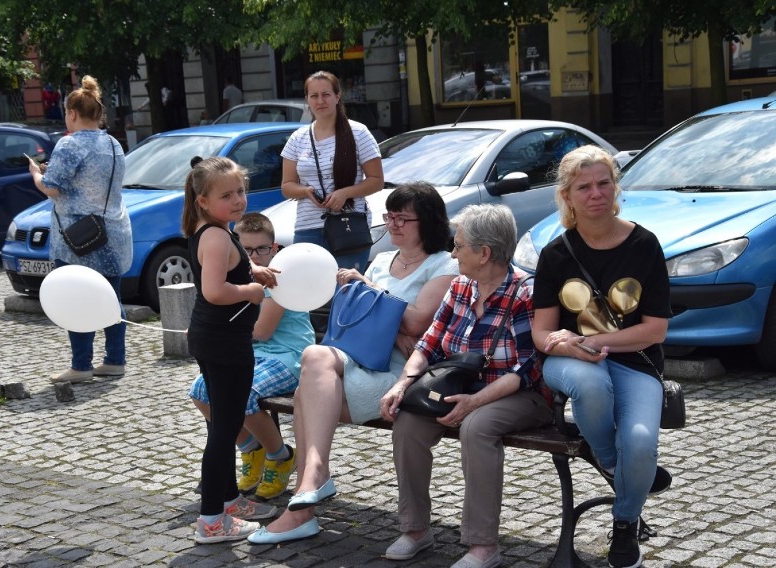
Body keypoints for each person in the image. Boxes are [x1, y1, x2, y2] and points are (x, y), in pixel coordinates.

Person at [247, 181, 460, 544]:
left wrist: (369, 293)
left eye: (401, 218)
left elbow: (416, 323)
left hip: (398, 373)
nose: (392, 224)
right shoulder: (381, 261)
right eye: (388, 216)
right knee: (314, 353)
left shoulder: (444, 266)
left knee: (304, 395)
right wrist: (388, 317)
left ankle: (303, 506)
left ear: (427, 221)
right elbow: (389, 320)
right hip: (355, 356)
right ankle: (314, 477)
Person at [378, 204, 553, 568]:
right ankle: (415, 529)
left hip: (519, 394)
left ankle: (483, 545)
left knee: (477, 427)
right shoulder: (460, 286)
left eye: (459, 246)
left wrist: (473, 402)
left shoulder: (524, 292)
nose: (453, 253)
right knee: (407, 422)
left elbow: (526, 370)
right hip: (461, 386)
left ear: (484, 253)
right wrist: (402, 384)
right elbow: (428, 344)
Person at [531, 145, 671, 568]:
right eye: (584, 186)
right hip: (570, 361)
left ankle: (625, 523)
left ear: (616, 187)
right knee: (592, 384)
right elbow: (541, 332)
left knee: (643, 443)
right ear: (568, 197)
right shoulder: (556, 253)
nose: (596, 193)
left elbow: (655, 330)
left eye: (603, 183)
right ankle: (611, 463)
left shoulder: (645, 245)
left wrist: (596, 343)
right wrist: (568, 344)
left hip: (635, 362)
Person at [183, 157, 281, 544]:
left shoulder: (211, 231)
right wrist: (251, 291)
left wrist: (250, 271)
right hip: (225, 343)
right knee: (223, 432)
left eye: (240, 191)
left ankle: (227, 502)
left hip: (214, 339)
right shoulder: (217, 235)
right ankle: (211, 522)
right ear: (204, 200)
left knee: (220, 426)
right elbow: (214, 291)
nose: (238, 200)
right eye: (226, 195)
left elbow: (223, 268)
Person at [189, 211, 315, 500]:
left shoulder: (278, 281)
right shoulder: (240, 279)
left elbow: (261, 332)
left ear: (275, 249)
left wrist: (217, 329)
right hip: (249, 353)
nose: (255, 256)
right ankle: (251, 449)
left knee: (241, 393)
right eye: (246, 250)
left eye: (261, 249)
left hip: (288, 356)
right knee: (200, 391)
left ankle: (280, 455)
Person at [28, 75, 133, 384]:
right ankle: (115, 360)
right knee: (111, 298)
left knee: (76, 297)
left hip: (79, 238)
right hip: (113, 231)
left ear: (72, 113)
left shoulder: (69, 143)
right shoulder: (113, 142)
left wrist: (35, 174)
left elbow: (51, 188)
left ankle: (81, 366)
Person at [279, 70, 383, 271]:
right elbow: (287, 186)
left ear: (337, 96)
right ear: (307, 99)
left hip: (349, 225)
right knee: (308, 295)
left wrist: (345, 193)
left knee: (345, 291)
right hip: (308, 226)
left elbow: (377, 180)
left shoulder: (359, 132)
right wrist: (306, 191)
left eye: (326, 94)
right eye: (314, 96)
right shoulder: (297, 138)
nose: (320, 101)